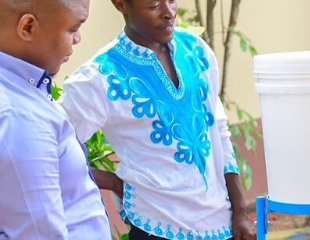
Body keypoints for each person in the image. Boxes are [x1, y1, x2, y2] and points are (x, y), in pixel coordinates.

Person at [59, 0, 256, 239]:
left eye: (172, 0)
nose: (168, 12)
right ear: (121, 4)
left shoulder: (196, 50)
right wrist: (113, 181)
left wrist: (240, 211)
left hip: (221, 224)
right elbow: (50, 149)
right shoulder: (100, 77)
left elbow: (219, 130)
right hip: (157, 226)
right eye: (154, 5)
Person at [0, 0, 111, 239]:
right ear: (27, 27)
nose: (78, 38)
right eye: (73, 28)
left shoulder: (21, 87)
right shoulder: (20, 117)